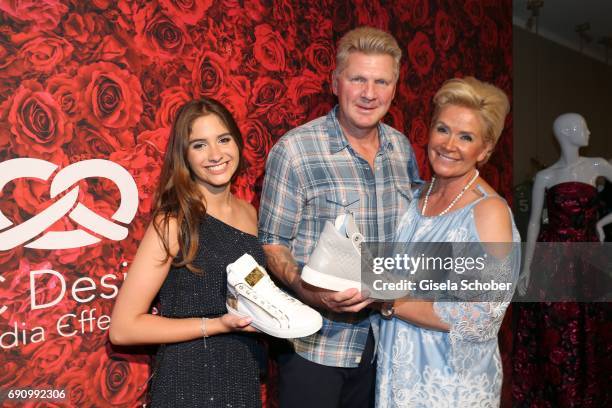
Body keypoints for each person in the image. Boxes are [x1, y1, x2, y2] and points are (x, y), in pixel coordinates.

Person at [258, 27, 420, 407]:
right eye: (358, 79)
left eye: (381, 81)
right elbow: (272, 243)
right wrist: (305, 287)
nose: (369, 93)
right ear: (335, 83)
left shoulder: (402, 149)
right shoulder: (295, 150)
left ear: (394, 89)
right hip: (316, 347)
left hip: (386, 343)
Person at [109, 98, 264, 407]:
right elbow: (123, 328)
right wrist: (216, 324)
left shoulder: (249, 213)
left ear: (237, 142)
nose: (216, 154)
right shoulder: (173, 222)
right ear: (184, 156)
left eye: (223, 139)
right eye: (199, 145)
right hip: (189, 381)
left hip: (242, 374)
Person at [375, 77, 519, 407]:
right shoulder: (415, 198)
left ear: (485, 150)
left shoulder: (489, 211)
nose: (449, 144)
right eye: (443, 129)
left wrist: (388, 302)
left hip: (451, 385)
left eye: (466, 137)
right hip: (398, 372)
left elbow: (482, 315)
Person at [513, 113, 612, 406]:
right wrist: (527, 267)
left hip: (588, 255)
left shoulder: (598, 165)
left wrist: (603, 224)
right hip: (553, 258)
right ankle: (556, 393)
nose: (589, 131)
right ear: (568, 133)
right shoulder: (545, 177)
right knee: (554, 325)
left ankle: (587, 393)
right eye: (584, 127)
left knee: (590, 323)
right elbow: (533, 223)